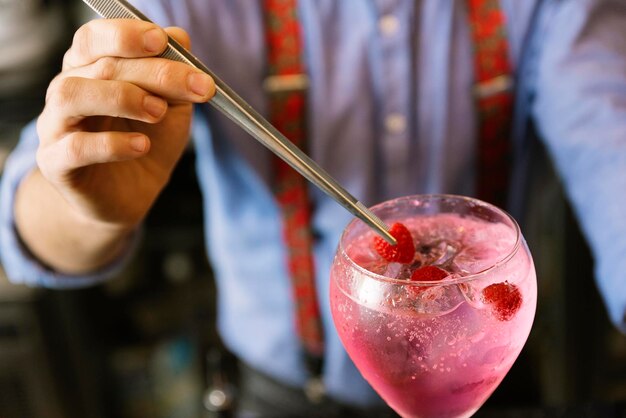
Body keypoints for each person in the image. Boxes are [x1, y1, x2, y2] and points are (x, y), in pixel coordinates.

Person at [1, 0, 625, 416]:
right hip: (283, 396)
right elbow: (26, 230)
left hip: (487, 386)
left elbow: (612, 150)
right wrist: (88, 210)